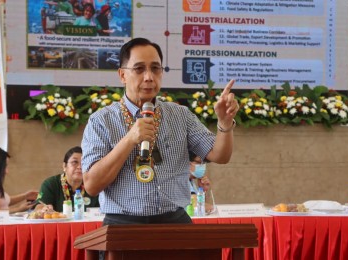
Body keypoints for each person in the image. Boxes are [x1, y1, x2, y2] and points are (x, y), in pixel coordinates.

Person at [81, 37, 238, 225]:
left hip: (175, 221)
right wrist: (130, 139)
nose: (149, 77)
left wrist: (225, 123)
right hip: (123, 225)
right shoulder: (101, 121)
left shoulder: (180, 115)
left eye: (155, 68)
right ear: (122, 75)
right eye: (139, 69)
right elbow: (91, 185)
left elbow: (220, 155)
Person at [35, 146, 99, 212]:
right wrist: (43, 209)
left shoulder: (94, 184)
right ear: (64, 166)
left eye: (84, 163)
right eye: (74, 162)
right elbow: (38, 206)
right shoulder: (50, 184)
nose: (80, 167)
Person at [0, 147, 38, 213]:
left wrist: (26, 195)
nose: (6, 171)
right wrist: (18, 209)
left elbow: (4, 201)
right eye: (5, 167)